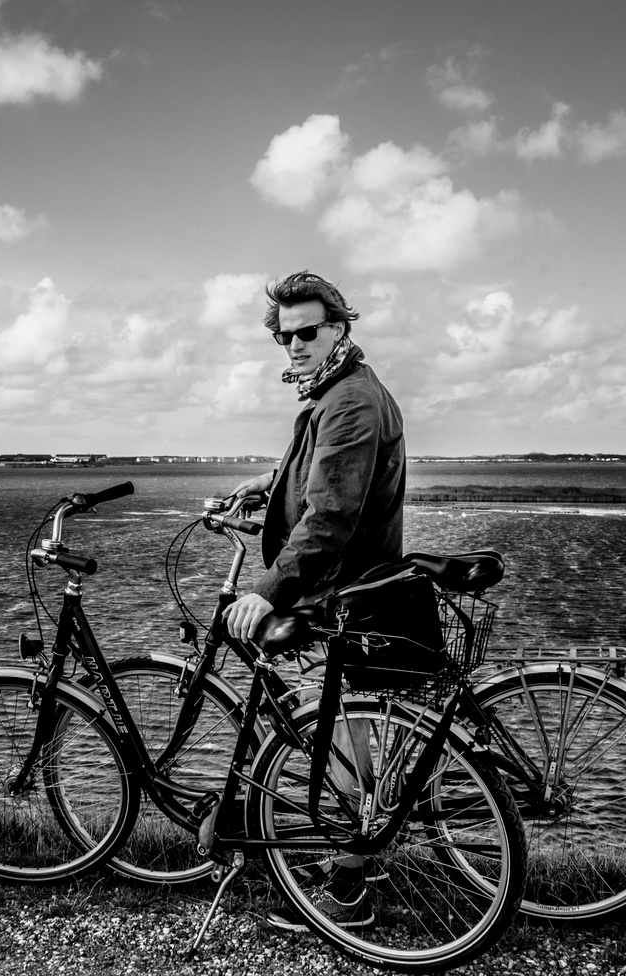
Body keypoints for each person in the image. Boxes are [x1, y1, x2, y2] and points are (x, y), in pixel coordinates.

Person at [222, 270, 406, 931]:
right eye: (283, 335)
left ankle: (349, 888)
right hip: (344, 589)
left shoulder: (351, 401)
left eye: (306, 332)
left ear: (339, 328)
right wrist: (266, 489)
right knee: (341, 740)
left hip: (347, 592)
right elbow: (313, 472)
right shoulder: (333, 391)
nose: (293, 345)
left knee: (341, 750)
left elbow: (329, 516)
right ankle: (360, 862)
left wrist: (266, 592)